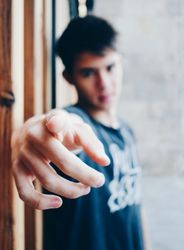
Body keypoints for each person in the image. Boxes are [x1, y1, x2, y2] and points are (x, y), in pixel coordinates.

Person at [12, 15, 145, 250]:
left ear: (121, 62)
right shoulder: (76, 129)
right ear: (69, 77)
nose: (104, 83)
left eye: (110, 67)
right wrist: (29, 135)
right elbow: (52, 129)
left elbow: (135, 212)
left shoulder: (127, 131)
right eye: (88, 73)